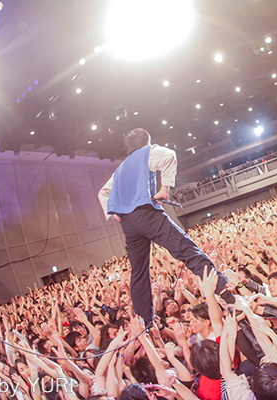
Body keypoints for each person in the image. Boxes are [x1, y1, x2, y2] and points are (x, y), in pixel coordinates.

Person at [98, 128, 233, 323]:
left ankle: (145, 321)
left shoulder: (120, 169)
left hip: (129, 225)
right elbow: (170, 155)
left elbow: (103, 192)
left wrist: (115, 214)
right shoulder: (147, 152)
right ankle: (224, 291)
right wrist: (164, 189)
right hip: (147, 214)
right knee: (186, 250)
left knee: (139, 272)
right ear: (147, 141)